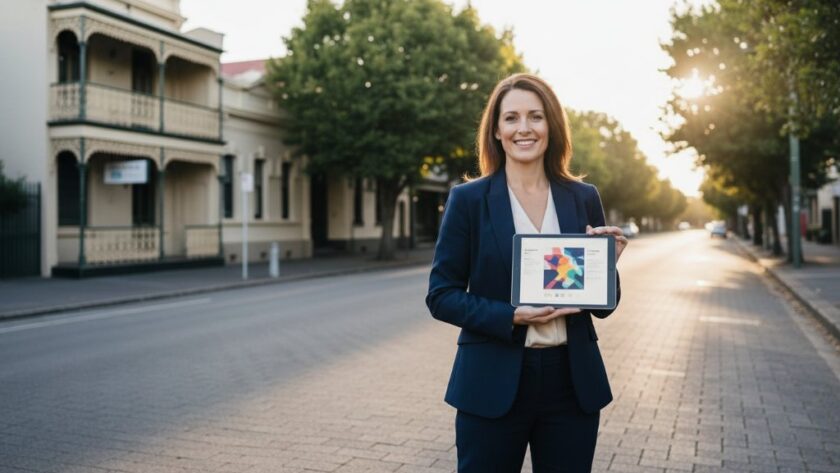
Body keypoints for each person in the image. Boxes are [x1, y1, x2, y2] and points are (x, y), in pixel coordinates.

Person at [425, 73, 628, 472]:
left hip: (571, 383)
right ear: (496, 131)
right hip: (491, 382)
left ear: (551, 126)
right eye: (511, 118)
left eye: (535, 117)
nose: (524, 128)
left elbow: (604, 306)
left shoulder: (582, 198)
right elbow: (441, 295)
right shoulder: (468, 200)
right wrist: (510, 315)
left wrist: (605, 267)